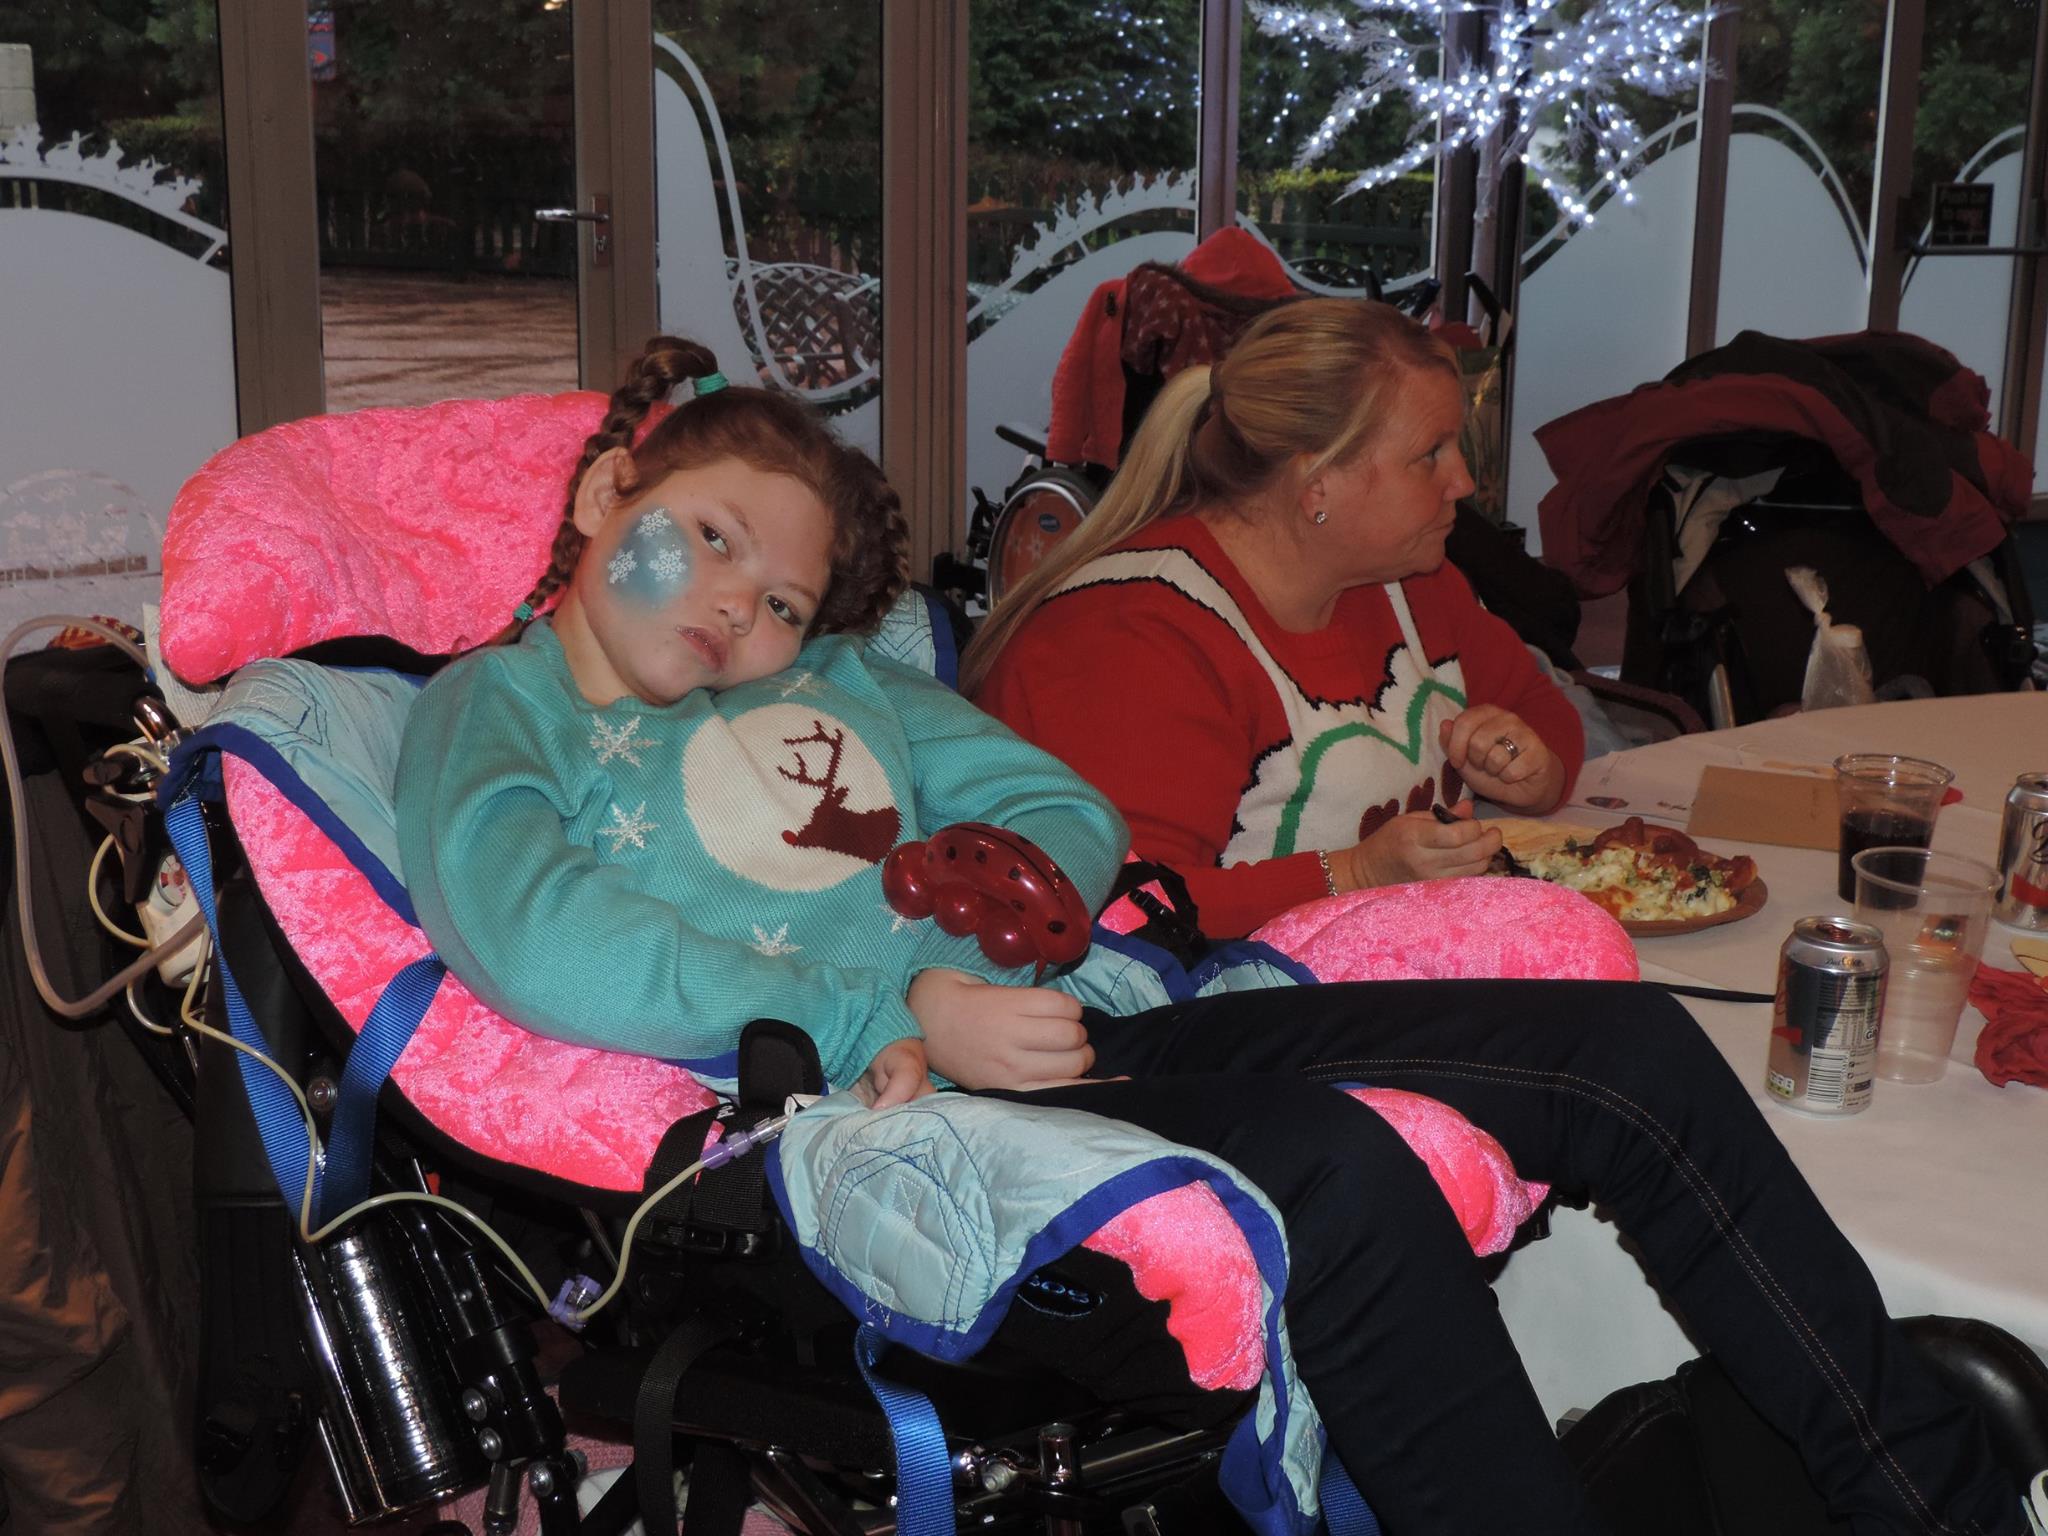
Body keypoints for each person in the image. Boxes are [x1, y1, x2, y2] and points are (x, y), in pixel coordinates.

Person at [395, 337, 2026, 1536]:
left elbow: (1060, 808)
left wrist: (991, 925)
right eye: (709, 537)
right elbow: (547, 942)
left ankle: (1934, 1502)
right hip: (869, 1127)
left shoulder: (830, 680)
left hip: (1066, 1026)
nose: (737, 607)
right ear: (610, 494)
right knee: (1333, 1172)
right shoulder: (495, 714)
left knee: (1620, 1050)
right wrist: (899, 1007)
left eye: (779, 597)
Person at [964, 298, 1587, 940]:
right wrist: (1355, 874)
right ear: (1317, 482)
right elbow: (1124, 908)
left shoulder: (1410, 580)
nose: (1462, 481)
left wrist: (1530, 770)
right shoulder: (1130, 639)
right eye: (1432, 453)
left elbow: (1542, 710)